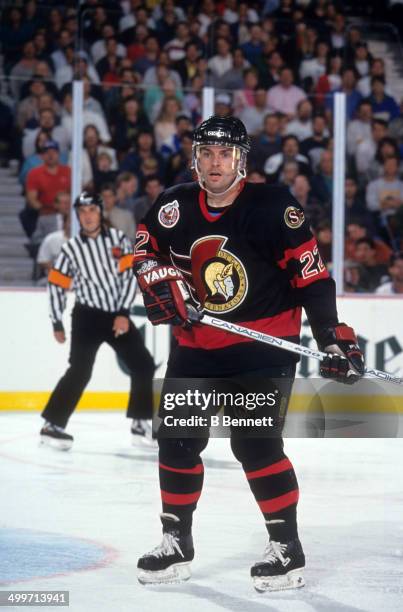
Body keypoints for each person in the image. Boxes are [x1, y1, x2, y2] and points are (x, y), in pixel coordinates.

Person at [132, 116, 365, 590]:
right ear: (195, 158)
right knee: (176, 441)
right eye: (206, 153)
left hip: (262, 351)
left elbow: (313, 277)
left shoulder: (275, 206)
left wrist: (331, 335)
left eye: (224, 154)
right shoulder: (172, 204)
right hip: (195, 349)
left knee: (254, 445)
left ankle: (287, 548)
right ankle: (176, 542)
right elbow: (144, 250)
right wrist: (155, 276)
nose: (214, 163)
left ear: (241, 160)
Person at [40, 192, 155, 451]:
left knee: (143, 364)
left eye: (92, 210)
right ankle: (52, 426)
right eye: (82, 211)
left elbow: (129, 278)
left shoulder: (118, 240)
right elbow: (57, 284)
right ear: (78, 216)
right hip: (86, 317)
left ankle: (140, 423)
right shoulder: (71, 249)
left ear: (100, 212)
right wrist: (56, 320)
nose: (87, 215)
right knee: (80, 371)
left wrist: (123, 313)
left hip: (117, 315)